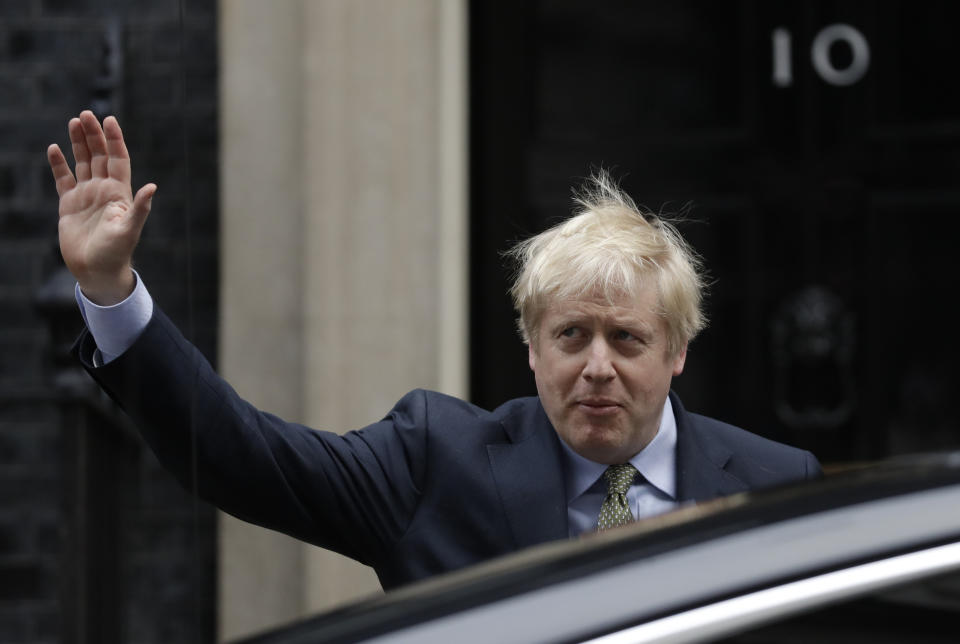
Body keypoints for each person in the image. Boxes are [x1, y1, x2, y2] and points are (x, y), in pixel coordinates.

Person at [47, 111, 821, 590]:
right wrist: (113, 290)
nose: (596, 366)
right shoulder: (432, 463)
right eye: (571, 336)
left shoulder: (776, 485)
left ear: (677, 351)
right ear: (531, 348)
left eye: (627, 339)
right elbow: (243, 458)